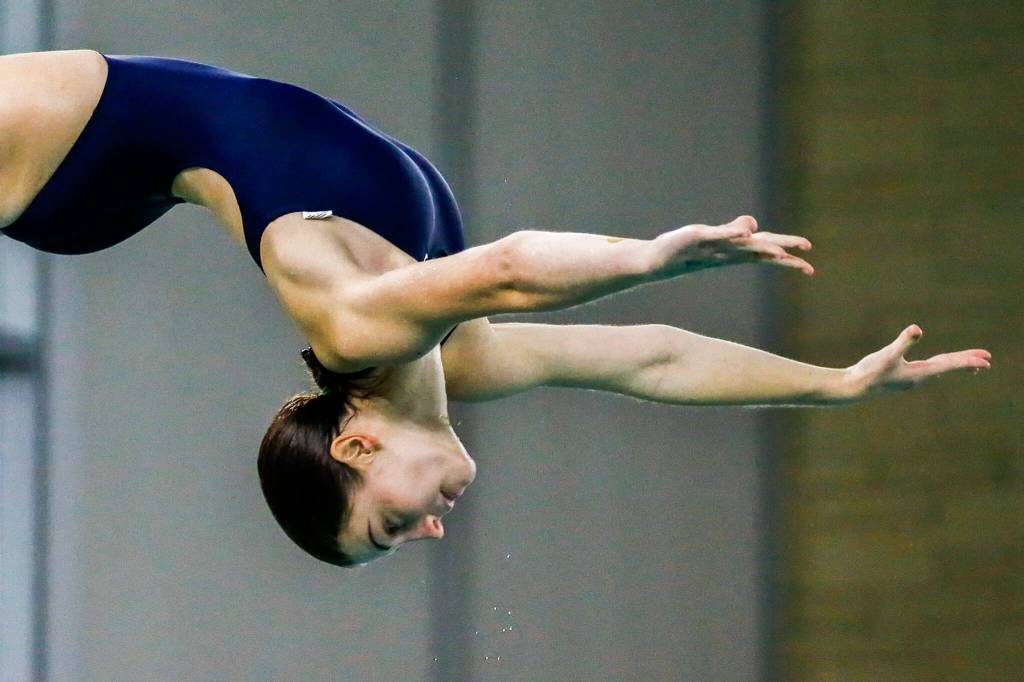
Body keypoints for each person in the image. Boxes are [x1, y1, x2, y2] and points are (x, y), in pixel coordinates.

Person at [0, 49, 992, 567]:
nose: (429, 532)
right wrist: (828, 386)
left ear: (355, 452)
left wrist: (650, 256)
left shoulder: (361, 330)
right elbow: (650, 364)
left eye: (388, 528)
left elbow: (511, 266)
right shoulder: (459, 362)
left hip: (67, 138)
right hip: (114, 167)